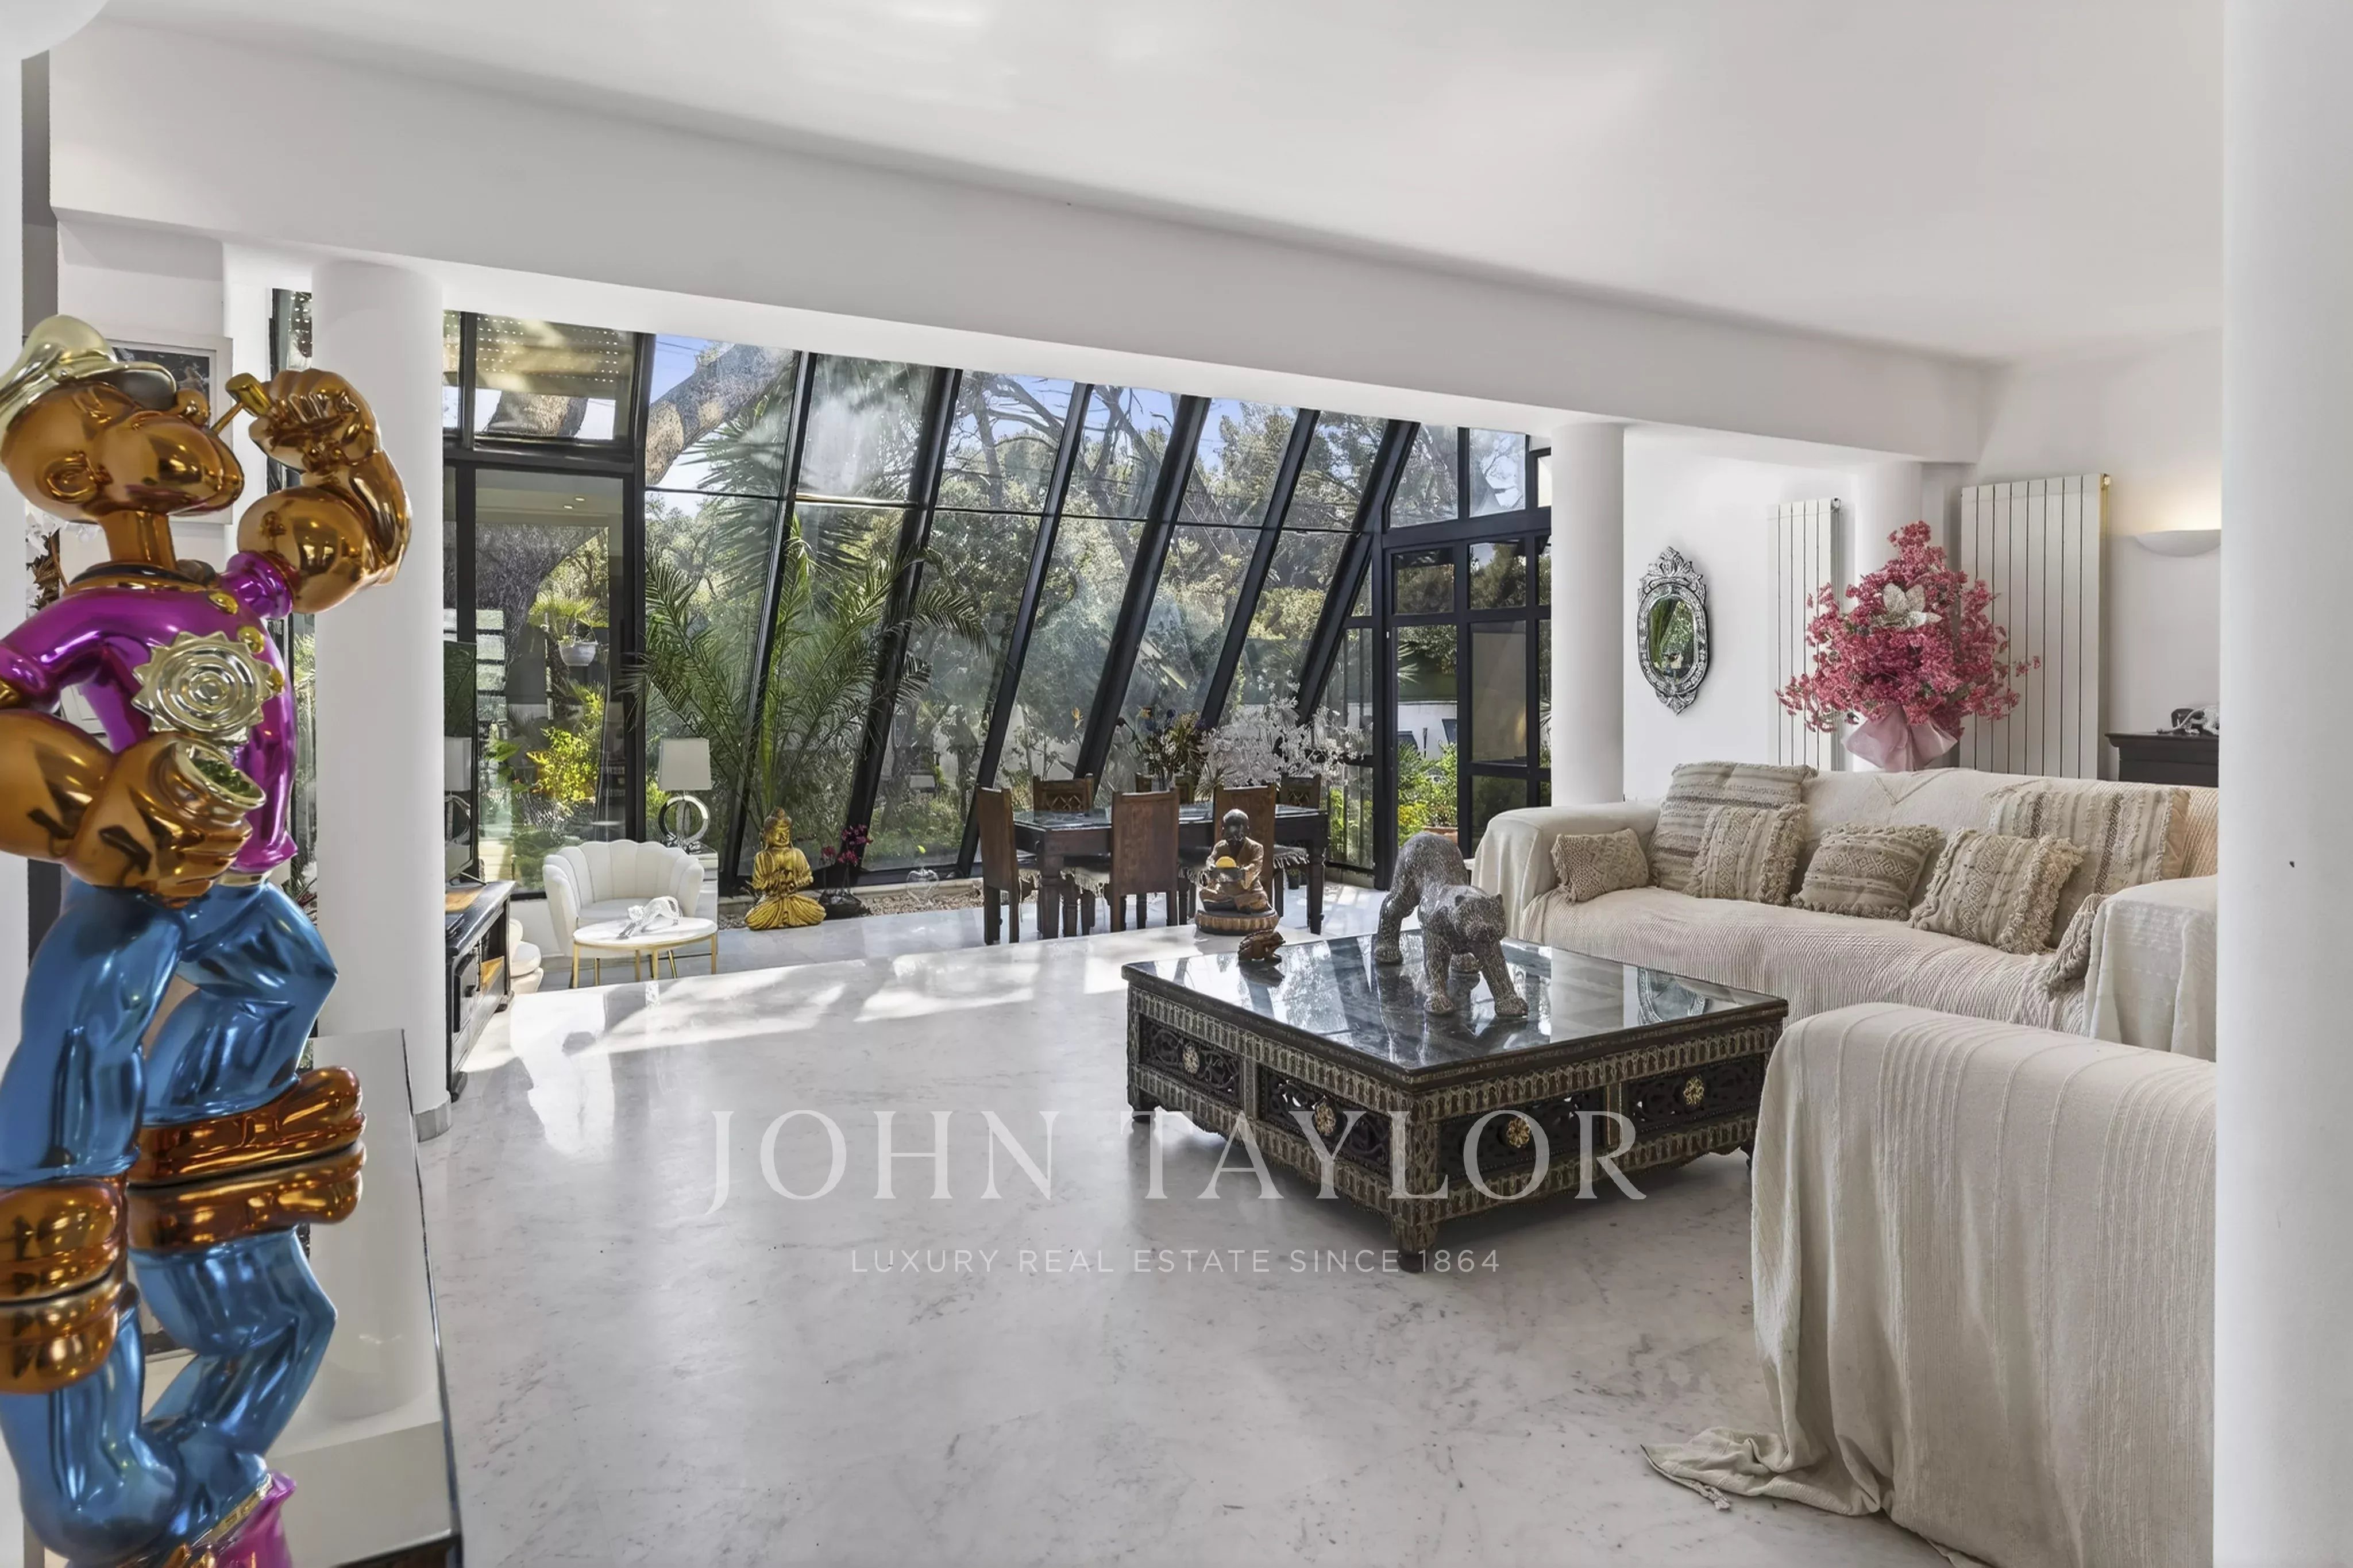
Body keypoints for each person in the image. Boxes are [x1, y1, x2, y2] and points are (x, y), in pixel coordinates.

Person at [0, 317, 398, 1564]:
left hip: (247, 892)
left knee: (295, 971)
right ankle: (81, 1273)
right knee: (84, 1045)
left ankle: (198, 1164)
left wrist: (343, 453)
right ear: (76, 473)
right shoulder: (96, 610)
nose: (183, 414)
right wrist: (93, 813)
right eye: (138, 408)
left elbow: (357, 545)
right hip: (148, 887)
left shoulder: (236, 588)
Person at [745, 809, 826, 929]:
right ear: (768, 835)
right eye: (779, 833)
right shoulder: (762, 857)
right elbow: (758, 884)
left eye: (786, 833)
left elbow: (809, 877)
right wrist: (775, 880)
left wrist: (795, 882)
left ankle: (790, 917)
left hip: (793, 900)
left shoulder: (797, 854)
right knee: (752, 920)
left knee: (819, 912)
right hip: (772, 902)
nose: (784, 837)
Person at [1196, 807, 1270, 916]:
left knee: (1261, 898)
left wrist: (1240, 874)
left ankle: (1229, 905)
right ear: (1223, 832)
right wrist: (1211, 868)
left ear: (1246, 832)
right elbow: (1211, 859)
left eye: (1237, 838)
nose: (1233, 842)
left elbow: (1256, 866)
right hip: (1224, 891)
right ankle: (1234, 904)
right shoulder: (1221, 847)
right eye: (1229, 838)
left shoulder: (1256, 848)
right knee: (1204, 893)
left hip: (1248, 891)